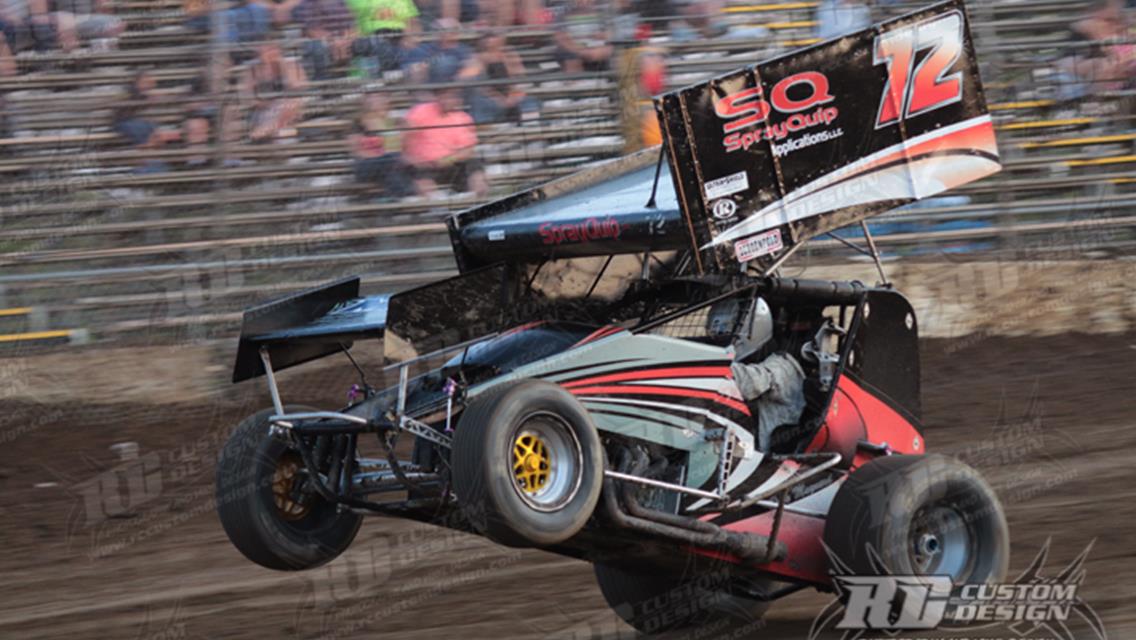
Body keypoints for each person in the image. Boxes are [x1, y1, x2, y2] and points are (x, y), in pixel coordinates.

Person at [707, 297, 806, 452]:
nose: (720, 339)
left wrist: (700, 364)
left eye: (725, 333)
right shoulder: (752, 363)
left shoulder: (783, 366)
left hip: (768, 458)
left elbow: (749, 383)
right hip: (740, 449)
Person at [403, 87, 488, 198]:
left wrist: (446, 160)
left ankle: (479, 201)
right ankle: (435, 206)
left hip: (449, 164)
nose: (447, 100)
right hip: (424, 164)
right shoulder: (422, 110)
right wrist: (412, 157)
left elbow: (467, 150)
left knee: (474, 164)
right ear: (437, 97)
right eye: (444, 96)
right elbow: (407, 133)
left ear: (458, 100)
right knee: (419, 174)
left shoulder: (463, 118)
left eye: (451, 97)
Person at [240, 40, 308, 141]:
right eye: (262, 52)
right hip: (264, 111)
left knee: (290, 104)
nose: (265, 55)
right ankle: (268, 131)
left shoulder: (291, 64)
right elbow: (246, 97)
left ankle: (262, 132)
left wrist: (281, 65)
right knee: (282, 121)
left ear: (277, 51)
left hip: (290, 109)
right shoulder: (253, 70)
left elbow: (297, 87)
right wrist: (262, 104)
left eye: (269, 51)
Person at [350, 92, 414, 197]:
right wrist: (382, 156)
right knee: (393, 159)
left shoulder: (393, 121)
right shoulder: (358, 123)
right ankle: (408, 196)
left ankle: (398, 200)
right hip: (366, 165)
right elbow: (357, 151)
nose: (377, 101)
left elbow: (399, 144)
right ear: (366, 102)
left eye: (381, 97)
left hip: (389, 165)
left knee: (393, 169)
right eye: (373, 98)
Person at [465, 31, 537, 124]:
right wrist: (501, 100)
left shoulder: (508, 55)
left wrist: (513, 97)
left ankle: (530, 128)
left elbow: (519, 76)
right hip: (489, 97)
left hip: (510, 94)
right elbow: (481, 86)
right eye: (488, 41)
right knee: (483, 103)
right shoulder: (477, 59)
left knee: (530, 102)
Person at [291, 0, 356, 80]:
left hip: (341, 42)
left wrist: (346, 40)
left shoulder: (340, 2)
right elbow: (312, 31)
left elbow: (352, 27)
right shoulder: (304, 5)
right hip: (321, 43)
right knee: (317, 47)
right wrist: (334, 41)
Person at [554, 0, 613, 74]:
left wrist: (603, 37)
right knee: (570, 56)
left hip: (595, 49)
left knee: (608, 51)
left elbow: (610, 33)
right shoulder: (563, 13)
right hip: (573, 51)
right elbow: (561, 37)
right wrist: (581, 51)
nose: (584, 1)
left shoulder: (602, 12)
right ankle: (575, 81)